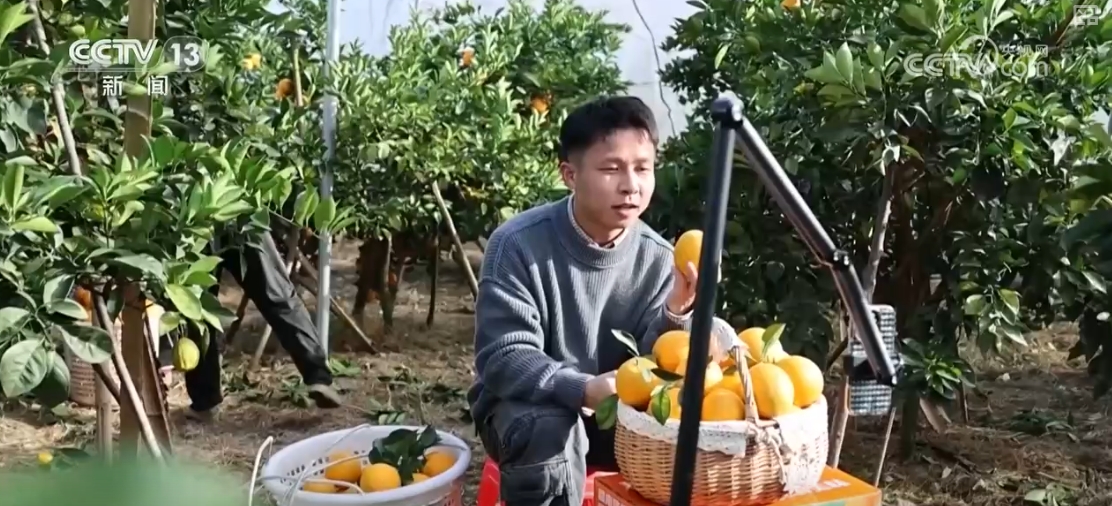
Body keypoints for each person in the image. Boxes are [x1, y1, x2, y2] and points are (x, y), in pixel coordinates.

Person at [468, 96, 700, 506]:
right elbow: (503, 356)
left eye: (643, 168)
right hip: (526, 413)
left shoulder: (660, 259)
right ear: (569, 175)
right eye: (611, 169)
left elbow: (655, 368)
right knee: (550, 425)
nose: (631, 185)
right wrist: (581, 388)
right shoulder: (517, 245)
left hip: (619, 418)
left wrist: (676, 311)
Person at [182, 231, 343, 422]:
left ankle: (205, 401)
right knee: (276, 292)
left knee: (195, 305)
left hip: (200, 226)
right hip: (238, 219)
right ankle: (318, 376)